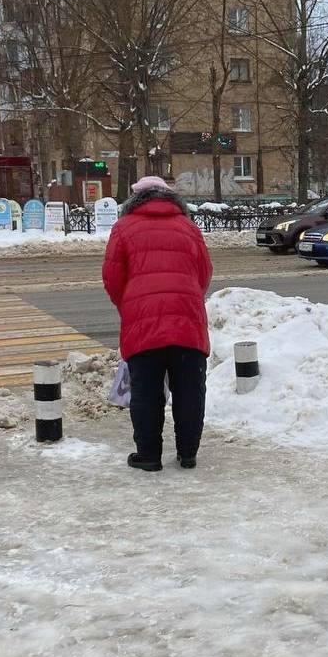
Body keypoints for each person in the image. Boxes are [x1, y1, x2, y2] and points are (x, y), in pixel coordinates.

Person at [102, 176, 213, 472]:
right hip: (187, 319)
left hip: (143, 322)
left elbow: (112, 278)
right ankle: (188, 453)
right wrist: (187, 299)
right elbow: (203, 272)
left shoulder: (123, 228)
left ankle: (149, 456)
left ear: (134, 198)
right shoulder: (189, 227)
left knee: (146, 392)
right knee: (190, 390)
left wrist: (130, 305)